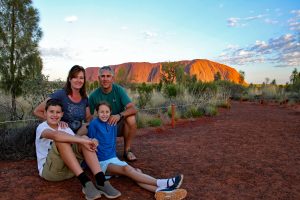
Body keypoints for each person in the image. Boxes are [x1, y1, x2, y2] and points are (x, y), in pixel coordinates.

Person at [87, 101, 188, 200]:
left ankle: (161, 192)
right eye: (101, 112)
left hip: (113, 159)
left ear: (110, 112)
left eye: (107, 112)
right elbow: (90, 145)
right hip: (101, 163)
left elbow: (113, 141)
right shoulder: (94, 124)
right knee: (127, 169)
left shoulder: (113, 123)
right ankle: (163, 182)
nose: (104, 114)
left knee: (136, 172)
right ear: (97, 112)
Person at [35, 99, 121, 200]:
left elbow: (77, 140)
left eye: (58, 112)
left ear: (62, 114)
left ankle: (101, 180)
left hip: (70, 170)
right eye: (51, 112)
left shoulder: (64, 127)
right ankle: (86, 182)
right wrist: (84, 141)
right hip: (51, 172)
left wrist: (90, 140)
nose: (55, 115)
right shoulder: (41, 127)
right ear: (45, 113)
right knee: (61, 140)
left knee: (83, 138)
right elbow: (56, 135)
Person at [89, 66, 138, 161]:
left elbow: (133, 109)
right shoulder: (93, 96)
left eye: (108, 76)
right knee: (89, 126)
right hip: (102, 126)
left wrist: (119, 115)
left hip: (117, 125)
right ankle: (95, 151)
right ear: (98, 78)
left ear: (112, 78)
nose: (105, 79)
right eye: (102, 76)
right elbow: (89, 117)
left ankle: (127, 150)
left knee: (131, 119)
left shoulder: (118, 90)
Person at [34, 65, 92, 135]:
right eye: (75, 77)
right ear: (70, 79)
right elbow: (37, 111)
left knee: (89, 126)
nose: (78, 80)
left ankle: (76, 140)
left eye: (81, 78)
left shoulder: (84, 98)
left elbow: (88, 118)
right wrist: (56, 122)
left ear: (84, 80)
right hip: (62, 133)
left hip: (78, 133)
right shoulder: (60, 94)